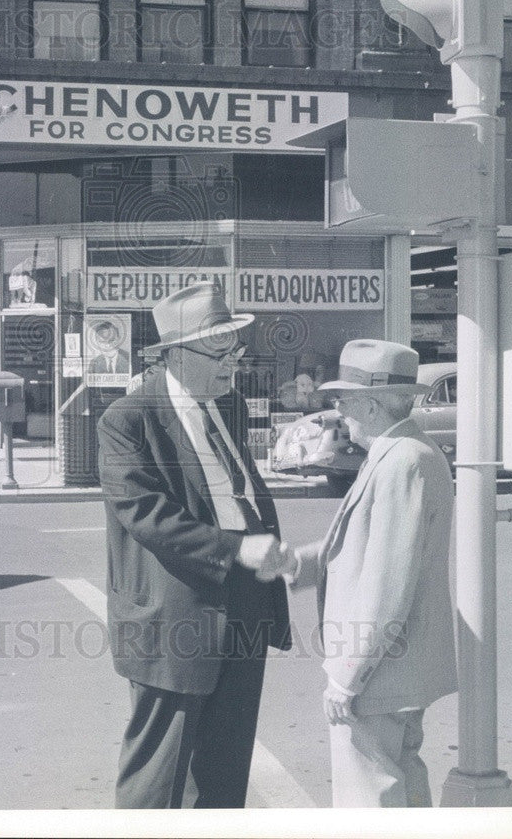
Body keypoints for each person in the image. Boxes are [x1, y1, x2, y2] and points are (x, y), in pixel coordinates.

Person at [97, 282, 292, 808]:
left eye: (237, 349)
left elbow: (240, 490)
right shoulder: (127, 420)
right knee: (157, 776)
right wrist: (235, 549)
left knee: (226, 767)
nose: (234, 363)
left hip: (246, 602)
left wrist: (266, 547)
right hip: (176, 615)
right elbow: (144, 512)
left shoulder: (228, 407)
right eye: (220, 351)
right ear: (177, 354)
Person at [283, 339, 457, 807]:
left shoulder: (401, 461)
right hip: (397, 667)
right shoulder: (400, 450)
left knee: (368, 799)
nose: (338, 410)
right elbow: (368, 544)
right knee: (402, 782)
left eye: (344, 400)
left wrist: (348, 676)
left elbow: (388, 582)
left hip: (378, 670)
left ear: (373, 404)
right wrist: (300, 564)